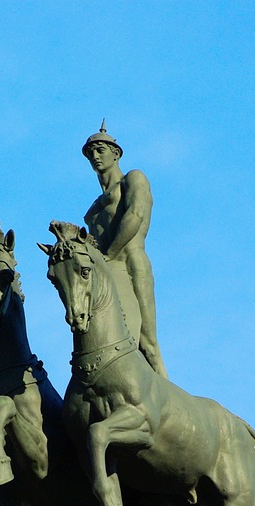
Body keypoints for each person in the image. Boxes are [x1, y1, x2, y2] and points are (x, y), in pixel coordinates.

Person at [82, 123, 168, 377]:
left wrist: (109, 255)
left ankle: (171, 405)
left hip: (129, 263)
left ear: (115, 153)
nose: (95, 157)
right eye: (90, 153)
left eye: (99, 150)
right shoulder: (94, 206)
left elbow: (135, 215)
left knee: (147, 342)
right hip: (104, 270)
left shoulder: (133, 178)